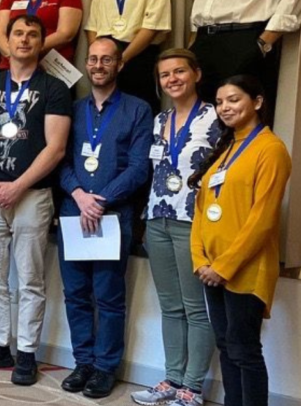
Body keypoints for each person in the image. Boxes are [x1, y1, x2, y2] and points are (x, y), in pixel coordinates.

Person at [0, 14, 72, 386]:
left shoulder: (54, 89)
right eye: (18, 33)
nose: (24, 40)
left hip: (32, 197)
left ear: (42, 42)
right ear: (6, 41)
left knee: (29, 280)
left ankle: (26, 352)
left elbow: (55, 149)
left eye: (32, 34)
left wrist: (17, 186)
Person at [55, 37, 152, 398]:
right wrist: (80, 195)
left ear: (119, 65)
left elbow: (140, 167)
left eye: (106, 59)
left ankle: (105, 367)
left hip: (114, 216)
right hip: (73, 212)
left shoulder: (139, 109)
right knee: (76, 294)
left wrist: (102, 199)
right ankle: (83, 362)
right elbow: (60, 159)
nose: (98, 65)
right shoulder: (72, 108)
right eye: (93, 59)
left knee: (109, 297)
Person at [190, 75, 291, 406]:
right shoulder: (225, 148)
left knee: (244, 349)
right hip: (211, 268)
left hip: (246, 269)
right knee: (226, 345)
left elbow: (262, 220)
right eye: (219, 102)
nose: (224, 107)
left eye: (233, 99)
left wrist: (223, 266)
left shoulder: (271, 149)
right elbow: (203, 210)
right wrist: (201, 261)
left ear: (257, 102)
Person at [131, 48, 219, 406]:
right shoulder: (158, 119)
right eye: (165, 75)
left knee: (196, 307)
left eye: (179, 71)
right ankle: (172, 378)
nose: (172, 79)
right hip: (157, 219)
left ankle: (193, 387)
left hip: (193, 222)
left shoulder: (215, 118)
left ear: (196, 74)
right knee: (170, 306)